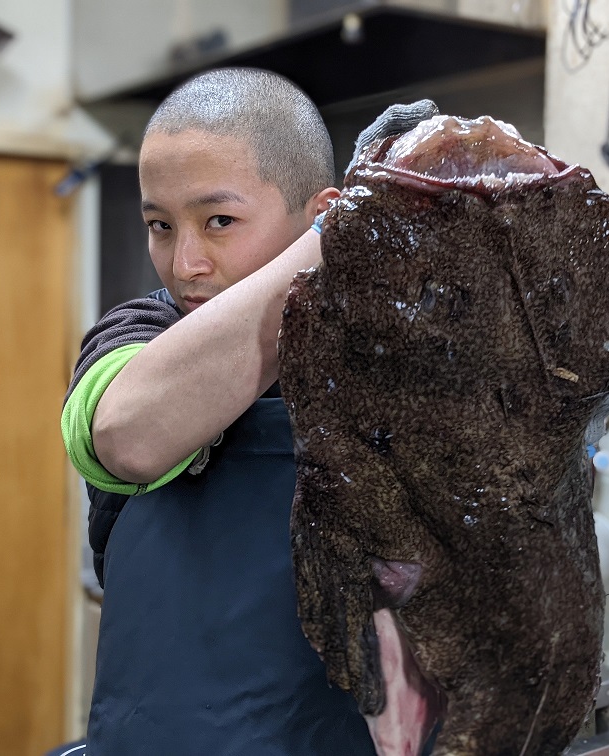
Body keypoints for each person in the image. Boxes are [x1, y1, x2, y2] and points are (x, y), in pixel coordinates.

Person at [59, 66, 438, 755]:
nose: (185, 263)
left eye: (219, 221)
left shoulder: (392, 357)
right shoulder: (135, 342)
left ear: (311, 207)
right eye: (159, 225)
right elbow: (128, 437)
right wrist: (343, 234)